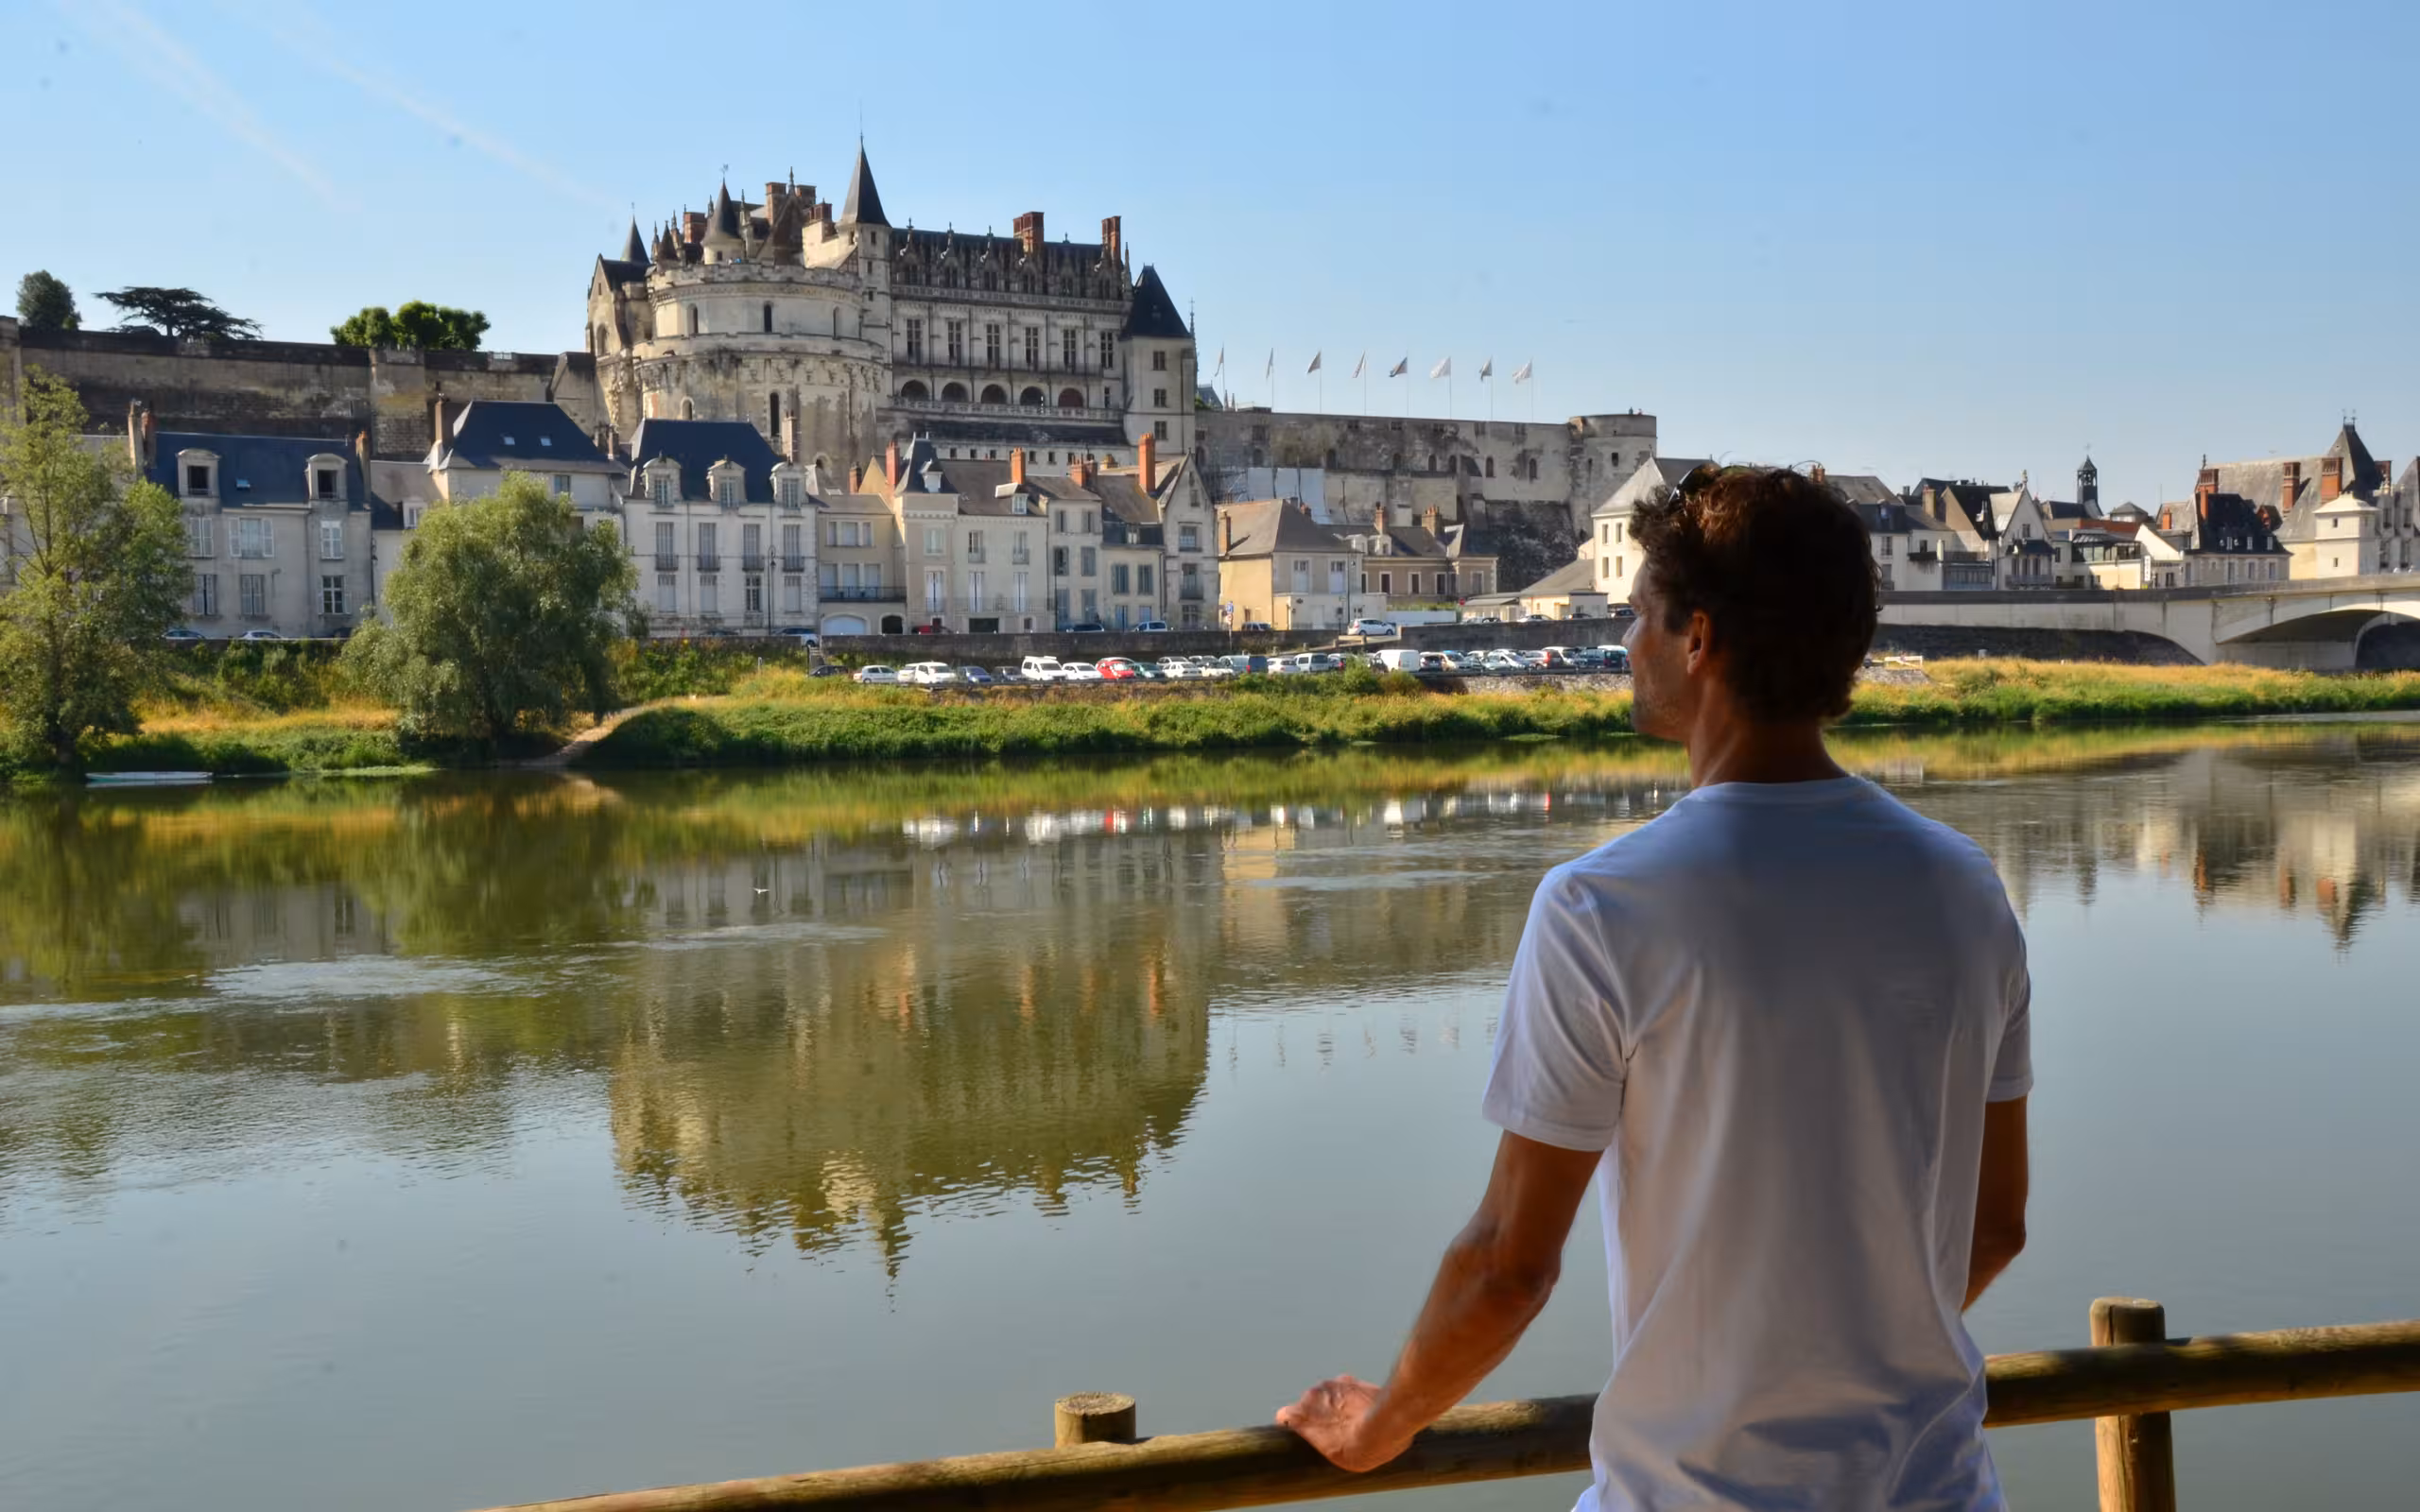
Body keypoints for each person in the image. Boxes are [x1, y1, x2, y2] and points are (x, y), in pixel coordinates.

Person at [1278, 466, 2032, 1511]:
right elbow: (1994, 1226)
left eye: (1639, 614)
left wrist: (1377, 1423)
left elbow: (1507, 1265)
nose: (1623, 645)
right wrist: (1846, 1360)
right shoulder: (1966, 889)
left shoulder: (1604, 907)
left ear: (1698, 639)